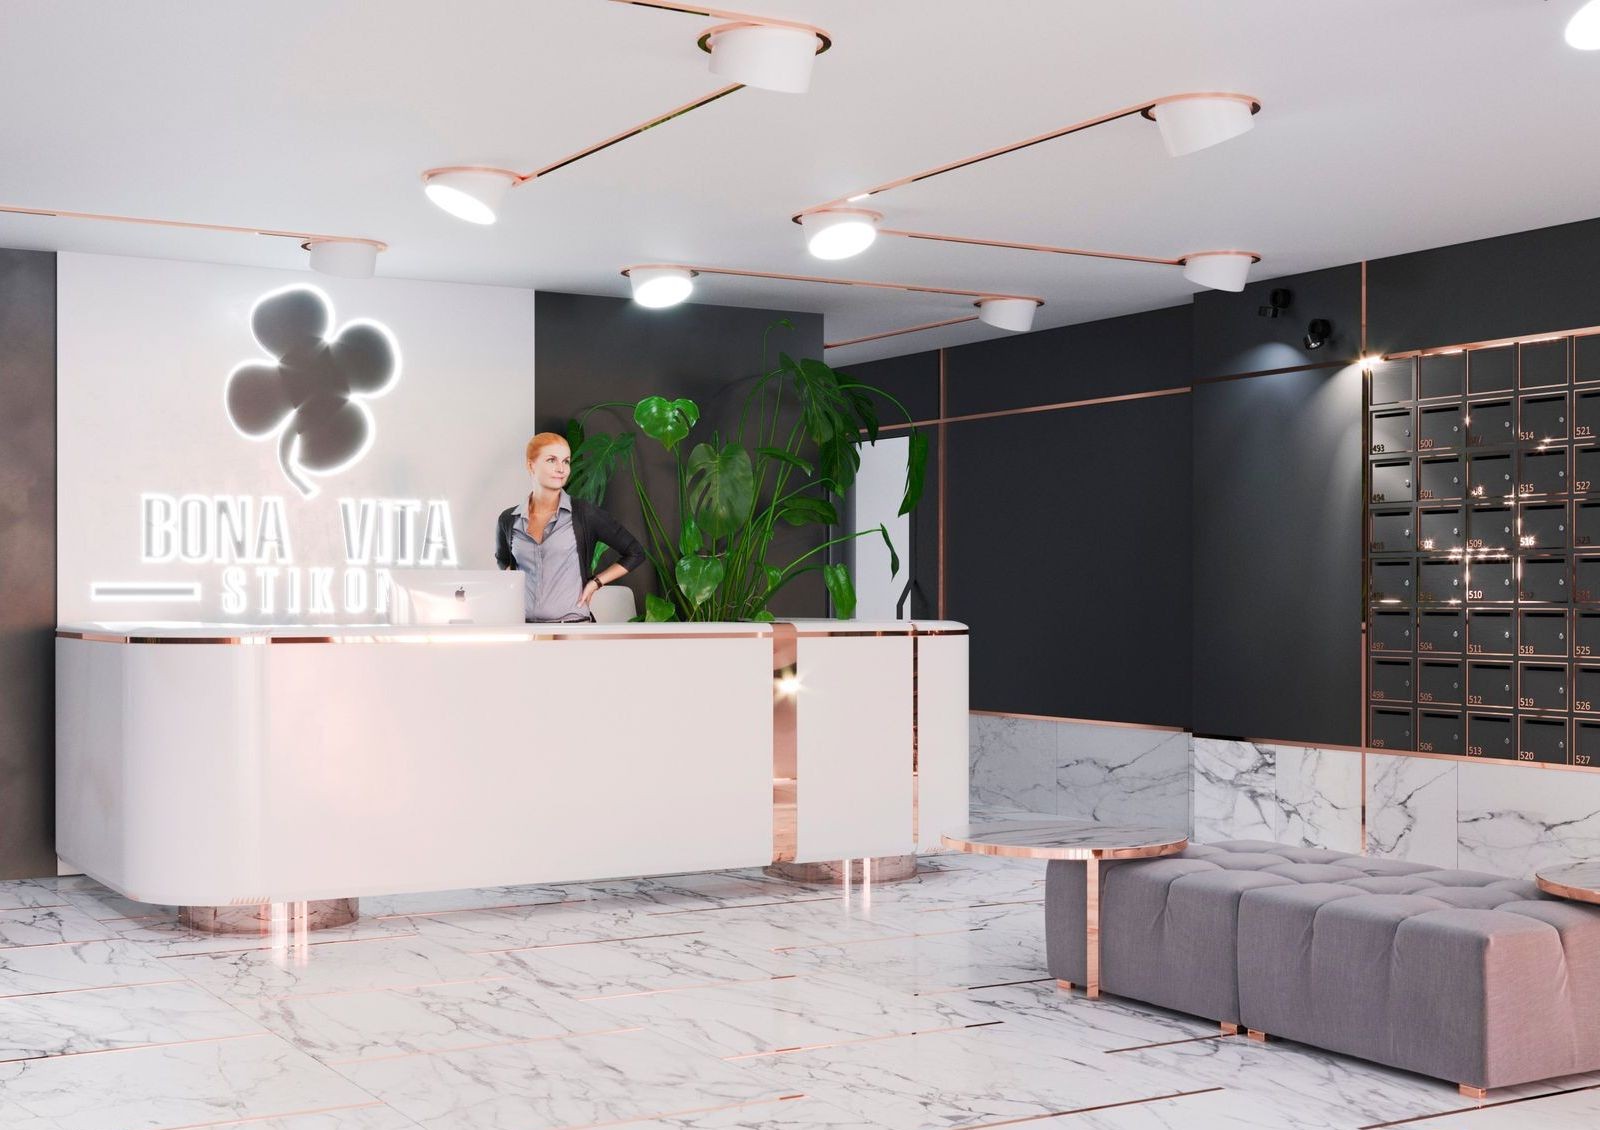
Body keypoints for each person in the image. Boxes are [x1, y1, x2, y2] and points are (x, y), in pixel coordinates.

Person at [495, 432, 646, 622]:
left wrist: (596, 583)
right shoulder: (509, 519)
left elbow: (635, 552)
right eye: (551, 460)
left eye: (566, 461)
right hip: (525, 628)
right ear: (531, 465)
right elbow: (503, 560)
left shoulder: (584, 513)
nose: (561, 469)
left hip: (573, 626)